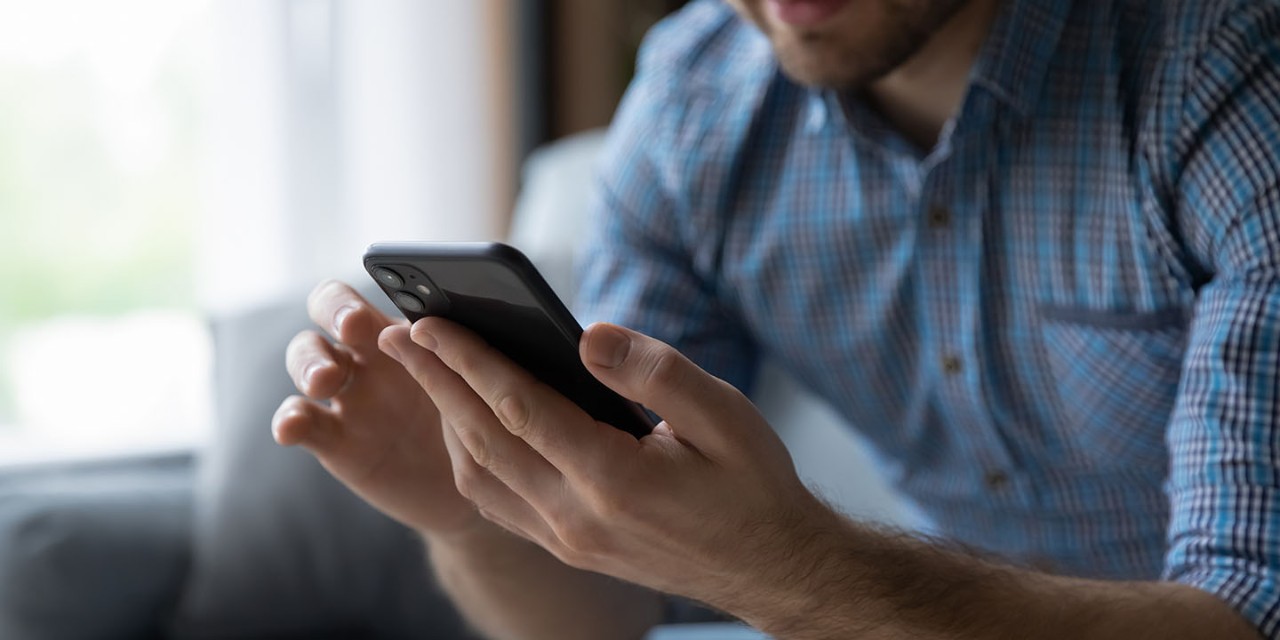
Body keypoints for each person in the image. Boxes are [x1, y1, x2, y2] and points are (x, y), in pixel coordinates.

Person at [274, 0, 1280, 637]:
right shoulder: (692, 110)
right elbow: (602, 613)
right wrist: (483, 506)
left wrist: (787, 567)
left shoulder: (1226, 74)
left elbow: (1246, 614)